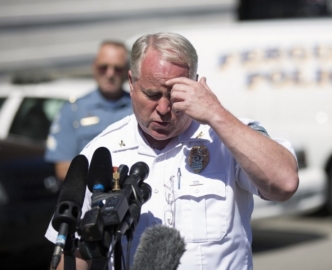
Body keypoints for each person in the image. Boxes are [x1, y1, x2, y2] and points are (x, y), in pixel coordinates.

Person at [45, 32, 299, 270]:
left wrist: (215, 114)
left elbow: (284, 183)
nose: (164, 108)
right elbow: (73, 253)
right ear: (131, 83)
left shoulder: (228, 136)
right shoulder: (102, 152)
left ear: (196, 86)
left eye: (175, 94)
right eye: (152, 94)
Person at [45, 40, 133, 181]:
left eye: (117, 68)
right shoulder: (73, 110)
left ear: (127, 71)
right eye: (103, 67)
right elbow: (62, 168)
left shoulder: (138, 108)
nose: (110, 74)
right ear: (94, 67)